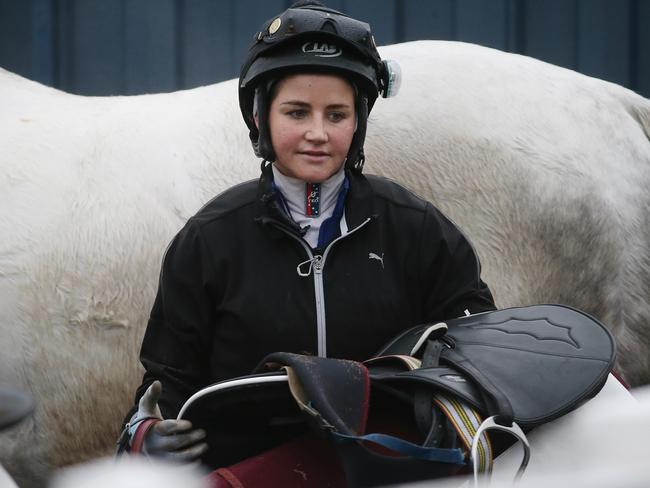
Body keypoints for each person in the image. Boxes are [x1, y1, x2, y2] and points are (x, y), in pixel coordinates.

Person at [117, 0, 495, 468]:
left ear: (358, 122)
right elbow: (162, 389)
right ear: (260, 117)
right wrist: (144, 437)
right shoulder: (209, 239)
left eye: (336, 115)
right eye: (297, 112)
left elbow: (479, 352)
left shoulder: (414, 228)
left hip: (388, 473)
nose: (318, 132)